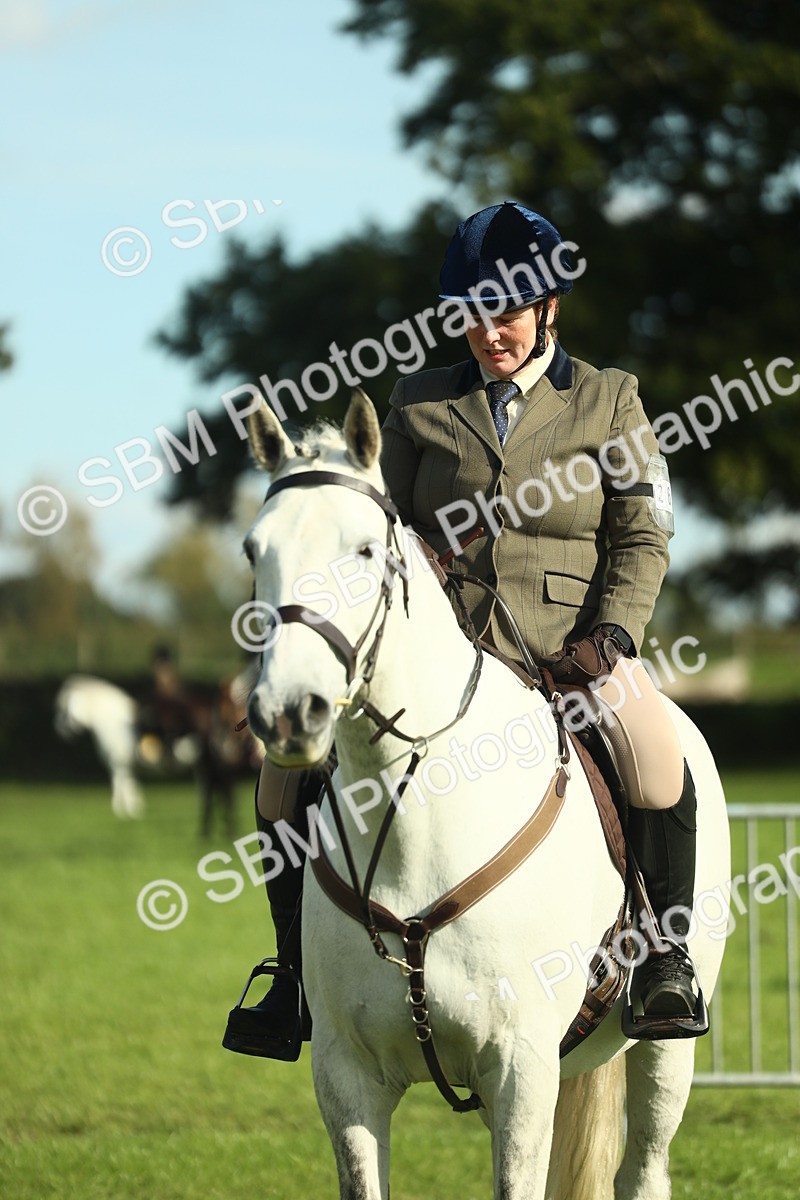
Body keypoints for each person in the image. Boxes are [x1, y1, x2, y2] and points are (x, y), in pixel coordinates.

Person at [223, 200, 699, 1059]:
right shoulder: (419, 402)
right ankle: (293, 974)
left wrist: (614, 640)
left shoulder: (611, 401)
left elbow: (642, 533)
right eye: (473, 316)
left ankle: (665, 958)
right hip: (443, 662)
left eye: (508, 312)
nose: (490, 333)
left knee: (657, 756)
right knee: (280, 783)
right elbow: (378, 525)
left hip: (573, 652)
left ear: (550, 305)